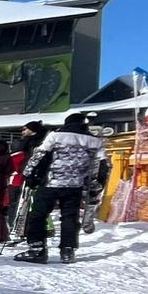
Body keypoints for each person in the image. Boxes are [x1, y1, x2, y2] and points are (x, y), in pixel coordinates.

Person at [15, 113, 104, 264]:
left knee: (38, 215)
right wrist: (96, 184)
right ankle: (68, 250)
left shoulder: (55, 136)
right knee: (70, 217)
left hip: (50, 183)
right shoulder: (95, 140)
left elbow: (38, 156)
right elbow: (102, 165)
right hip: (75, 185)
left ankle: (37, 249)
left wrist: (28, 176)